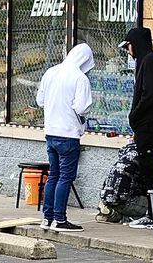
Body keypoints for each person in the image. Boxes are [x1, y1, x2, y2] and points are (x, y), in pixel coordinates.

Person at [35, 43, 95, 233]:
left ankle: (47, 217)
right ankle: (60, 219)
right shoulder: (79, 78)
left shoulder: (51, 72)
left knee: (53, 175)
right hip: (68, 134)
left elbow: (40, 101)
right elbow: (82, 107)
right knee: (66, 177)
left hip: (51, 132)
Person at [119, 27, 153, 230]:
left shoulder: (149, 61)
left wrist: (134, 115)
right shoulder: (146, 61)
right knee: (149, 169)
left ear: (136, 43)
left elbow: (149, 95)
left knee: (151, 170)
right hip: (148, 125)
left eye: (129, 46)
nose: (128, 51)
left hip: (150, 125)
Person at [96, 142, 148, 224]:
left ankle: (109, 211)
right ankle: (121, 217)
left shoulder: (125, 155)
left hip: (106, 197)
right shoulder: (145, 157)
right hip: (124, 201)